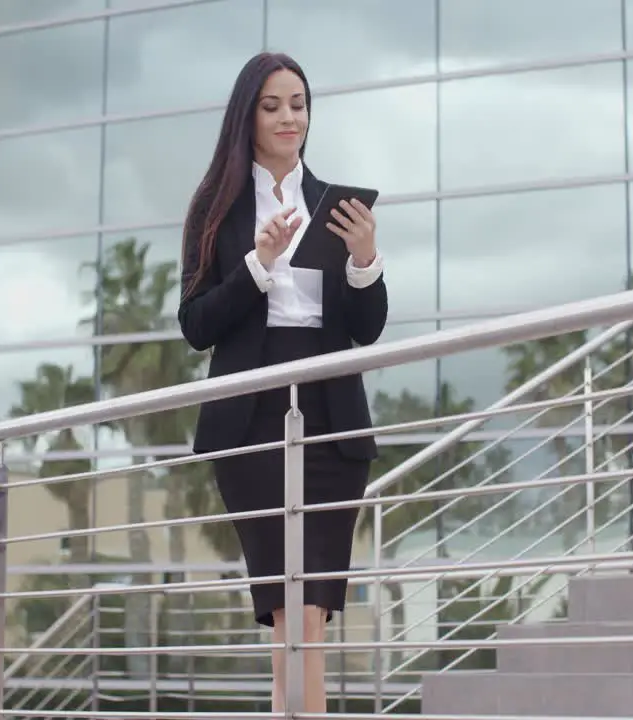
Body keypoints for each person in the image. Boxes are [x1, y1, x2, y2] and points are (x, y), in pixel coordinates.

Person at [176, 51, 388, 712]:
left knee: (311, 610)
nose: (288, 117)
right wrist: (258, 265)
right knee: (287, 604)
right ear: (248, 117)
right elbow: (195, 324)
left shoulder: (331, 203)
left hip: (330, 416)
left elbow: (368, 327)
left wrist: (364, 259)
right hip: (255, 418)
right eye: (273, 106)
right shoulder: (214, 209)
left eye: (298, 104)